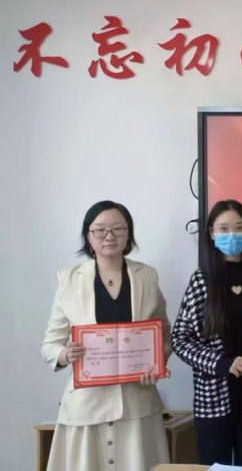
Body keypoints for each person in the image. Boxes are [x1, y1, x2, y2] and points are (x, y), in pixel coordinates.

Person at [42, 200, 171, 471]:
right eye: (100, 230)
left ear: (128, 234)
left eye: (118, 229)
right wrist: (65, 353)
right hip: (86, 405)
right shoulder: (69, 280)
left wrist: (157, 364)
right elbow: (50, 345)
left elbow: (164, 335)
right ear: (88, 237)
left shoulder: (147, 276)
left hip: (137, 403)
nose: (109, 236)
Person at [172, 199, 242, 466]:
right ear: (212, 234)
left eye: (239, 227)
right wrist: (222, 363)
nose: (232, 235)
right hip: (213, 399)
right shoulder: (202, 280)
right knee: (215, 467)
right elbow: (180, 339)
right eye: (223, 229)